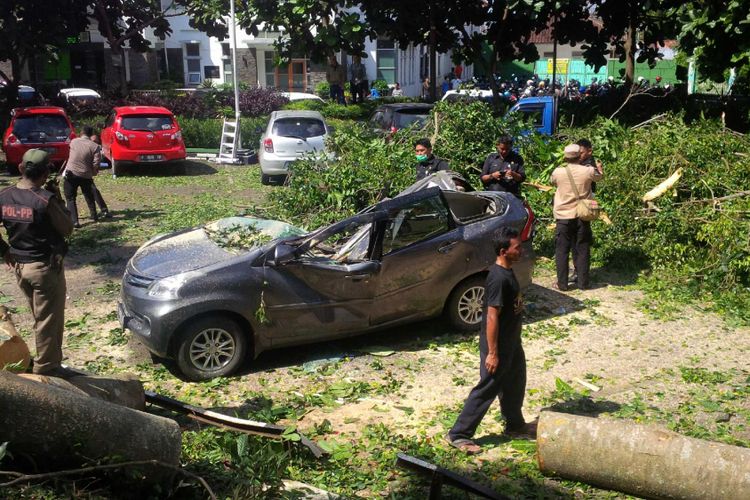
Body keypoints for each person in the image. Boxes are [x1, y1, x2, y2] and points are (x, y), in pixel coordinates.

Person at [446, 227, 534, 454]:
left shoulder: (509, 271)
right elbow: (492, 316)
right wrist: (493, 353)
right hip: (498, 346)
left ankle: (515, 425)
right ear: (504, 251)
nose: (521, 250)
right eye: (517, 247)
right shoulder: (497, 278)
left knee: (515, 384)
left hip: (512, 343)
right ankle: (459, 434)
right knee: (487, 388)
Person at [0, 149, 75, 378]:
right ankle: (47, 369)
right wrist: (57, 197)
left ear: (22, 168)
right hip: (44, 269)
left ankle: (44, 361)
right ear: (45, 174)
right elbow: (67, 227)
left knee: (40, 318)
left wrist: (5, 251)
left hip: (20, 268)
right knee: (48, 321)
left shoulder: (4, 196)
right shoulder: (45, 199)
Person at [550, 144, 603, 291]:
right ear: (580, 155)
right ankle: (583, 283)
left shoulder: (558, 172)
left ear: (565, 157)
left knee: (562, 250)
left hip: (563, 216)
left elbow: (552, 182)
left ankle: (562, 284)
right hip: (582, 215)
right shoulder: (588, 171)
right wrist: (600, 168)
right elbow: (599, 177)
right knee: (582, 249)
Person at [64, 126, 104, 228]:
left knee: (70, 198)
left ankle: (74, 221)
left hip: (71, 173)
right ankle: (94, 215)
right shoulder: (95, 146)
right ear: (91, 135)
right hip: (86, 175)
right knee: (88, 195)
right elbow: (96, 163)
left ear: (81, 132)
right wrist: (94, 172)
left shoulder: (73, 142)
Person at [85, 134, 112, 219]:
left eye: (96, 142)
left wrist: (94, 170)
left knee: (93, 191)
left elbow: (97, 164)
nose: (95, 143)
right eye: (93, 141)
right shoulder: (85, 148)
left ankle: (102, 211)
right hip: (79, 173)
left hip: (87, 174)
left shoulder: (96, 149)